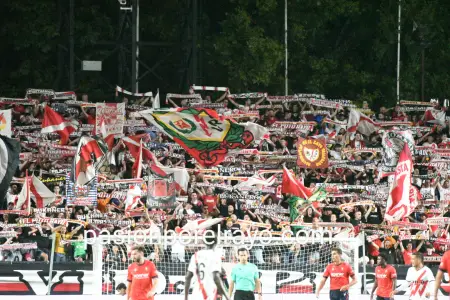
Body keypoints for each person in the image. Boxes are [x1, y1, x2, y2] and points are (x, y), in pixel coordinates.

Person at [184, 233, 229, 300]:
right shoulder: (215, 256)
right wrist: (227, 296)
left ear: (204, 241)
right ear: (216, 242)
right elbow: (216, 278)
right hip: (209, 294)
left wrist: (186, 297)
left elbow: (188, 277)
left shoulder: (196, 255)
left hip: (196, 293)